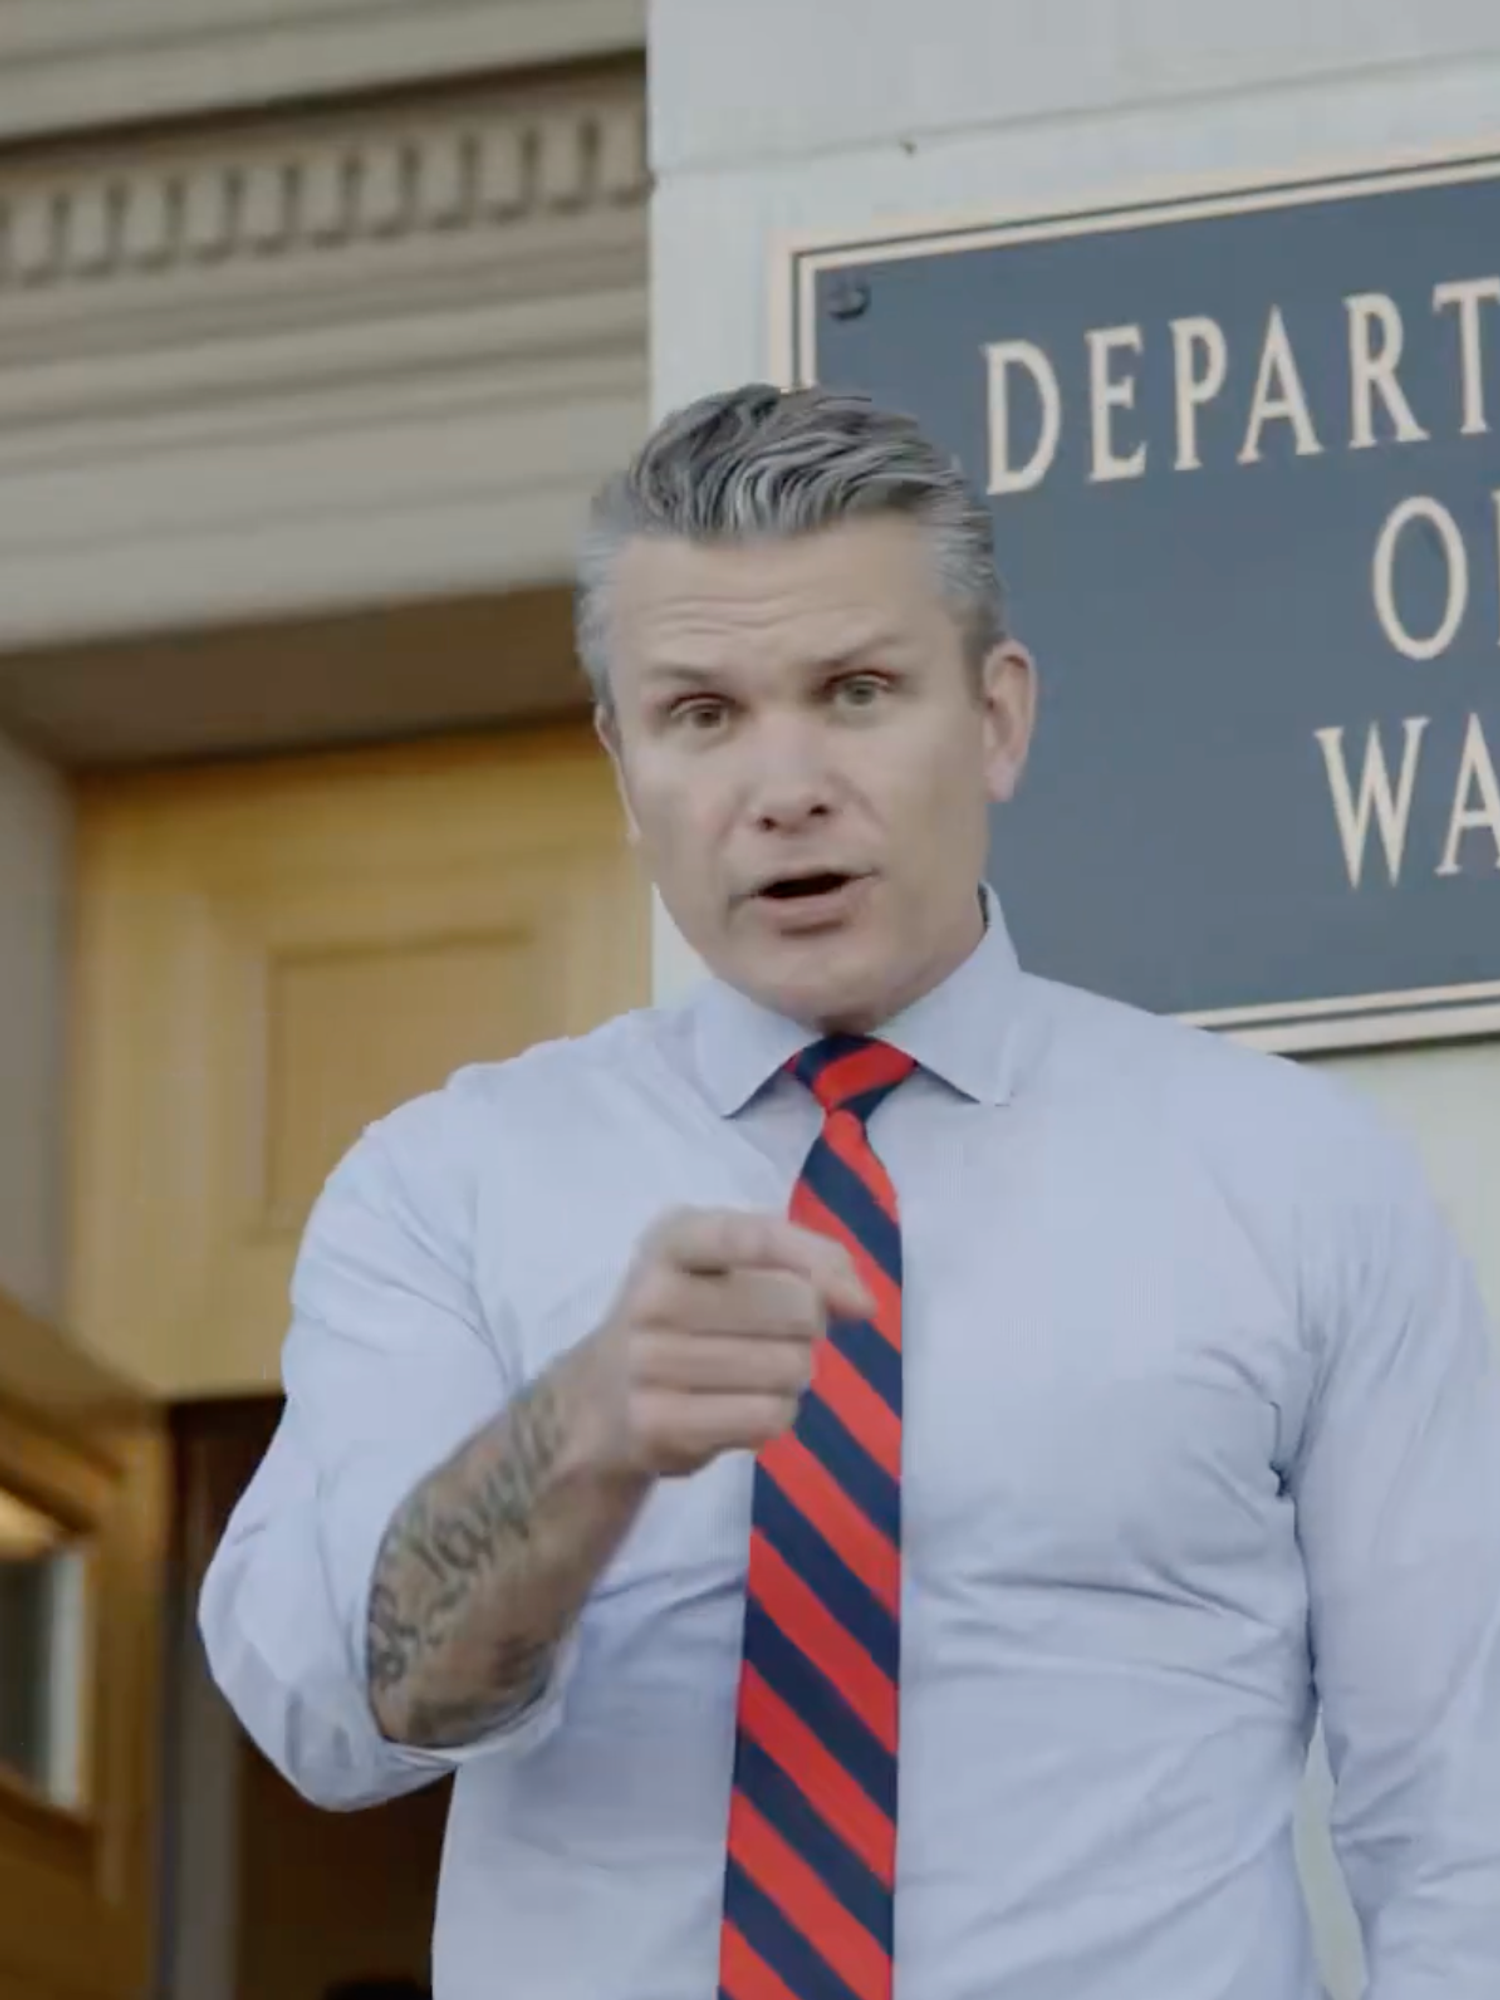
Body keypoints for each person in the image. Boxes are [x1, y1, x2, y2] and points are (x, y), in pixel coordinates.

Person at [200, 384, 1500, 2000]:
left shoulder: (1297, 1180)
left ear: (1000, 717)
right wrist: (582, 1437)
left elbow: (1463, 1818)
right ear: (625, 769)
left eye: (859, 690)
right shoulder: (446, 1187)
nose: (787, 783)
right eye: (702, 715)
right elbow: (341, 1715)